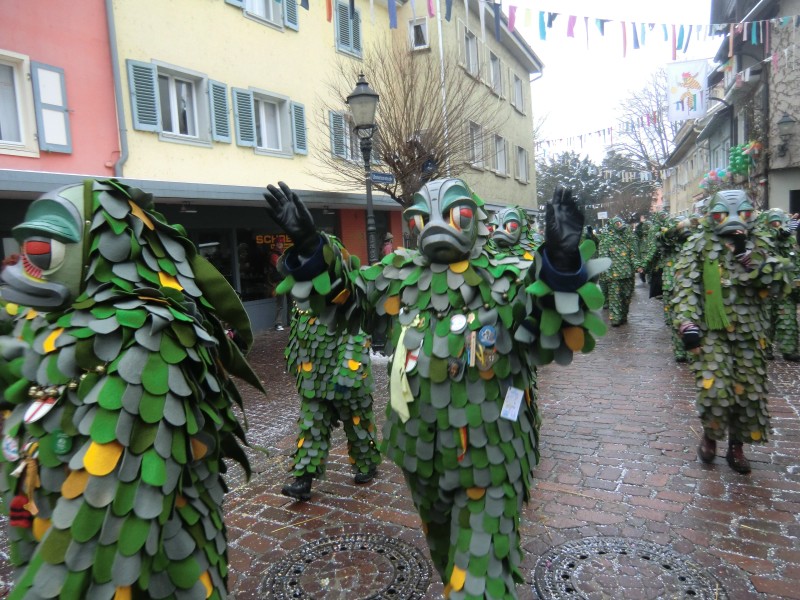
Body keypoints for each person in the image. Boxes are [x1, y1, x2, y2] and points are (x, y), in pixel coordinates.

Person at [263, 179, 609, 600]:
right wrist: (308, 243)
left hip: (492, 460)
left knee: (478, 577)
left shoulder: (505, 278)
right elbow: (344, 295)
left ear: (476, 221)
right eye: (419, 218)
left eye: (455, 214)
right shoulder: (399, 276)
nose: (435, 226)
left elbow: (548, 316)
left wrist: (560, 260)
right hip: (420, 456)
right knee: (447, 555)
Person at [0, 179, 263, 597]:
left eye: (39, 253)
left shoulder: (151, 336)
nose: (23, 271)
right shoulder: (49, 323)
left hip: (153, 575)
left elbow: (106, 522)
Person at [672, 190, 791, 474]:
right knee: (715, 390)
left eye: (743, 213)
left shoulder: (761, 241)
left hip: (750, 332)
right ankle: (711, 435)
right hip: (712, 331)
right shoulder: (698, 244)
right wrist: (687, 324)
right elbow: (686, 286)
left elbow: (778, 282)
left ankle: (736, 447)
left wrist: (745, 255)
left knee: (747, 393)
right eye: (722, 214)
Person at [281, 303, 381, 501]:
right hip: (314, 379)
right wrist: (294, 362)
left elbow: (357, 335)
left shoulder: (347, 298)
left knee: (358, 425)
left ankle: (367, 463)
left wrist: (348, 370)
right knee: (311, 427)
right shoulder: (302, 303)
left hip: (348, 379)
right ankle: (303, 480)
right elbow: (297, 334)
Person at [597, 216, 639, 326]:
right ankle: (615, 319)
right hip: (613, 276)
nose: (619, 225)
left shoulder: (627, 238)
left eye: (620, 223)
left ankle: (623, 316)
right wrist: (606, 273)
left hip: (628, 274)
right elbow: (604, 258)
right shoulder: (606, 240)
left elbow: (633, 254)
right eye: (617, 223)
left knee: (626, 297)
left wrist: (638, 266)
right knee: (615, 298)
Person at [269, 239, 286, 330]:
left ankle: (291, 321)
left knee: (291, 302)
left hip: (288, 280)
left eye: (281, 243)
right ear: (275, 244)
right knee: (280, 303)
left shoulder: (285, 253)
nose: (280, 244)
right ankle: (278, 323)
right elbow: (279, 265)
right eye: (278, 243)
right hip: (280, 281)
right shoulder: (273, 255)